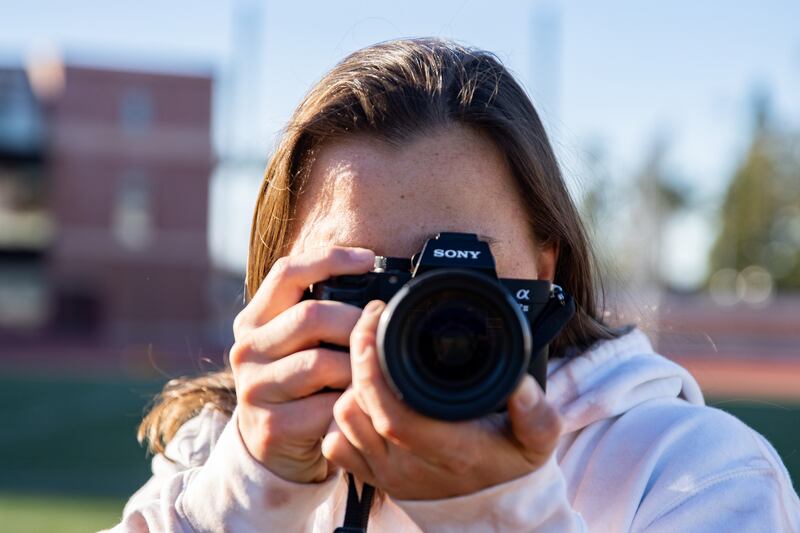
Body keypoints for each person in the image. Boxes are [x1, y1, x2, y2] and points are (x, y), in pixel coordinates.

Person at [108, 38, 800, 532]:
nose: (416, 311)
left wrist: (497, 511)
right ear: (281, 287)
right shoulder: (220, 454)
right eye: (361, 274)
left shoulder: (692, 471)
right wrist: (249, 492)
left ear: (544, 267)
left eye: (457, 270)